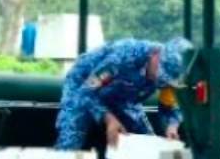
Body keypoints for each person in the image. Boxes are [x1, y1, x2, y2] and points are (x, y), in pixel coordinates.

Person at [54, 37, 196, 150]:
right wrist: (109, 118)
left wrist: (172, 125)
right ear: (156, 55)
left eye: (167, 80)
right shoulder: (125, 56)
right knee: (72, 136)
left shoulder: (170, 78)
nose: (161, 81)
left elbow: (169, 105)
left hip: (123, 97)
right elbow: (87, 91)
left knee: (147, 145)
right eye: (161, 74)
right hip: (84, 85)